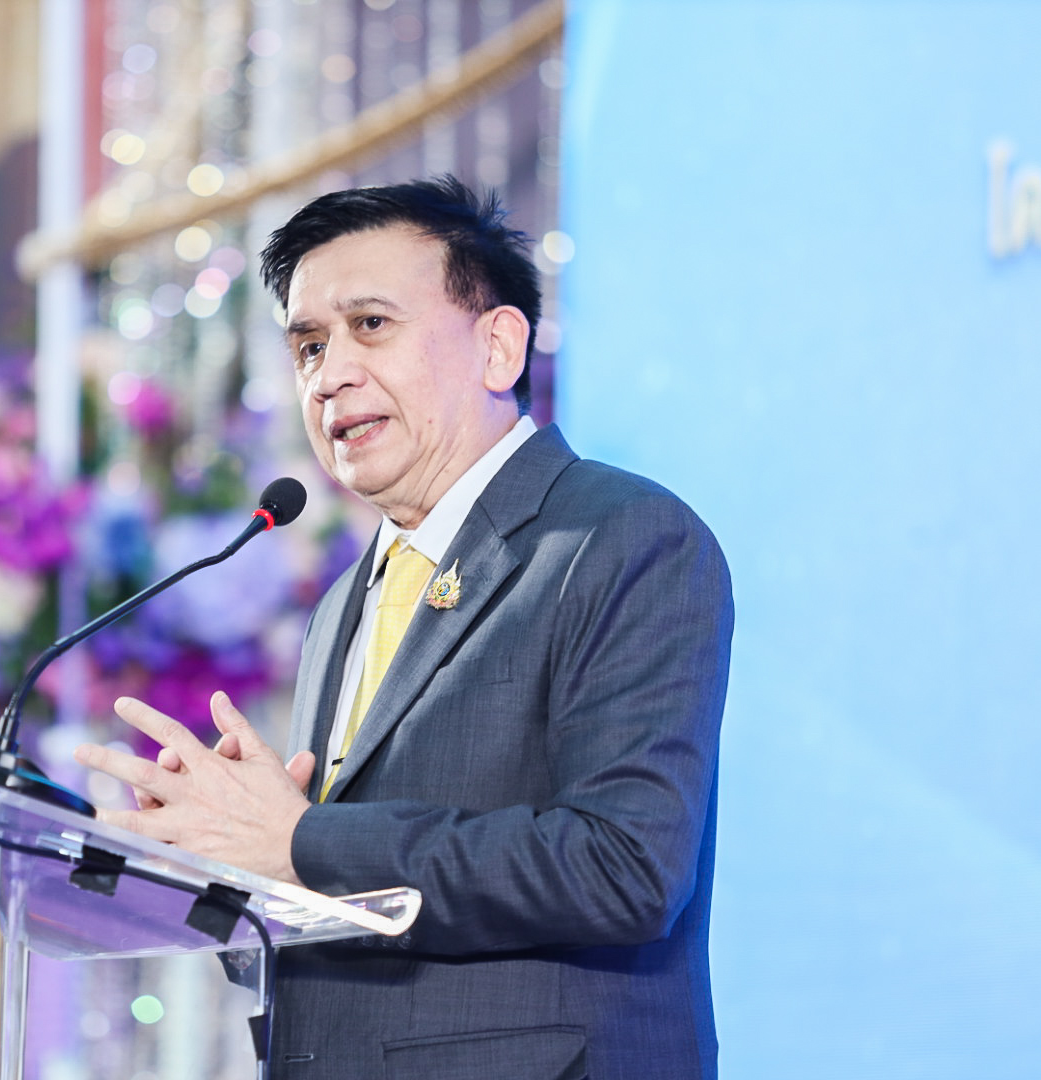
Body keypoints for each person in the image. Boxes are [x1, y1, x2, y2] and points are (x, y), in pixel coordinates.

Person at [76, 176, 733, 1080]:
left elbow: (625, 867)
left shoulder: (618, 536)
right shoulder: (344, 604)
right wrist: (222, 859)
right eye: (310, 345)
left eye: (371, 324)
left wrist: (300, 842)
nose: (330, 375)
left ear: (498, 347)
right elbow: (345, 902)